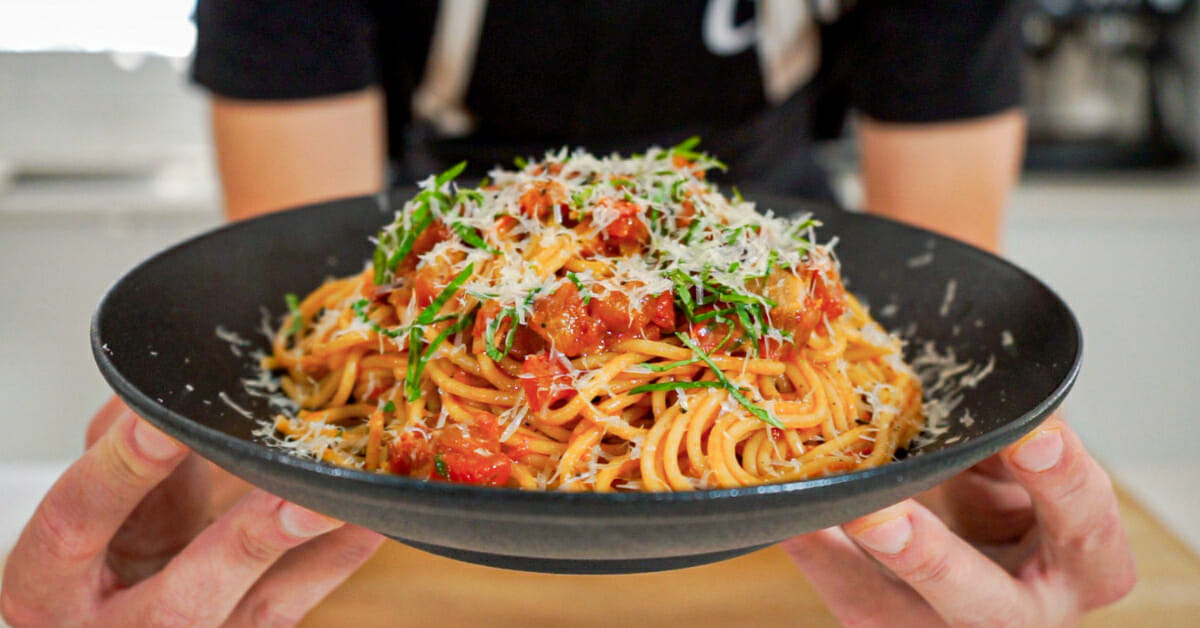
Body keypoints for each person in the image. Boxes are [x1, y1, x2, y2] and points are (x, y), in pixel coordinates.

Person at [0, 2, 1136, 626]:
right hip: (384, 528)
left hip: (811, 532)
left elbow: (944, 321)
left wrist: (962, 498)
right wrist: (212, 481)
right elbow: (297, 306)